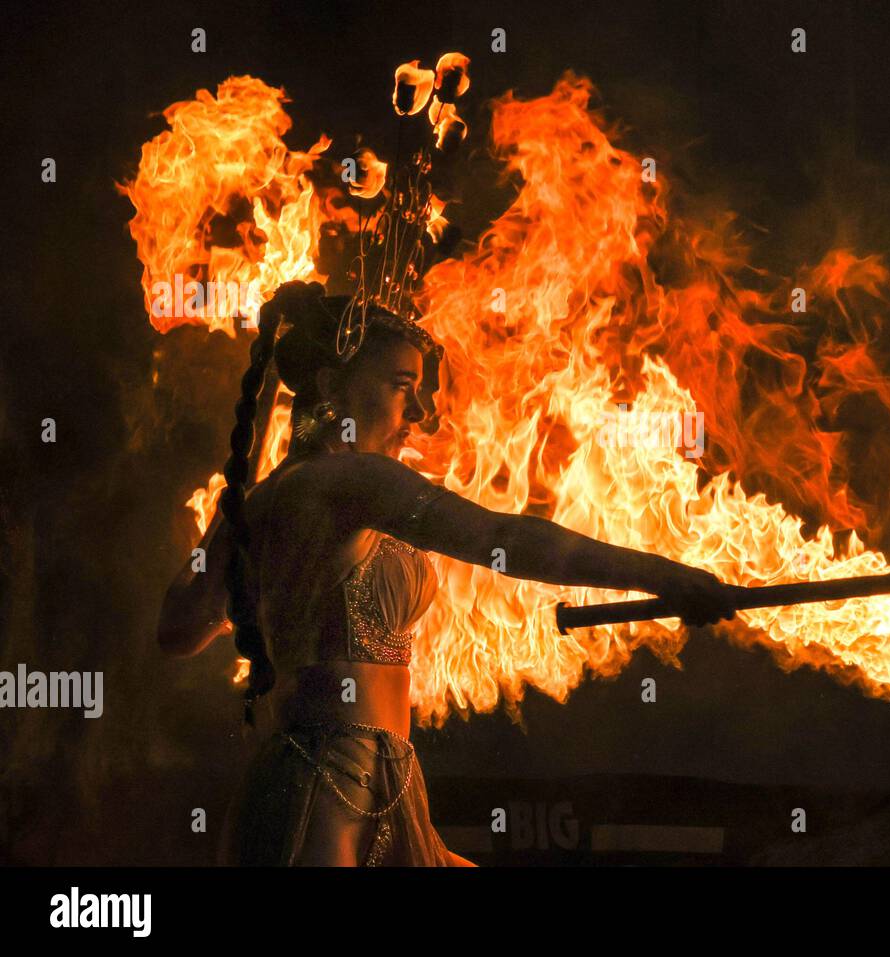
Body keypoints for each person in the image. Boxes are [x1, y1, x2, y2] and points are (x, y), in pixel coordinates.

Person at [156, 281, 736, 866]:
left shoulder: (266, 500)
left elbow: (179, 630)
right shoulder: (350, 480)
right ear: (332, 386)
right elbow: (501, 538)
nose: (421, 411)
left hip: (347, 782)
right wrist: (664, 575)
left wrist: (243, 486)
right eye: (401, 386)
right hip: (326, 794)